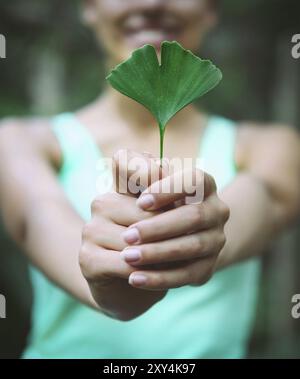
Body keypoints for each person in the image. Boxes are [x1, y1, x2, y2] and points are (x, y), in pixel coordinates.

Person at [0, 0, 299, 359]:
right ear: (89, 7)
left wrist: (206, 231)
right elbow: (40, 217)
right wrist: (110, 280)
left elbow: (261, 199)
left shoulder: (272, 147)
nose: (152, 3)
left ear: (210, 10)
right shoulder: (21, 141)